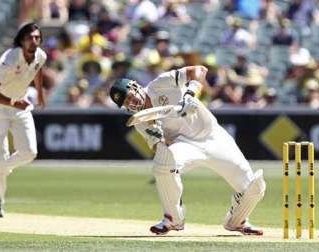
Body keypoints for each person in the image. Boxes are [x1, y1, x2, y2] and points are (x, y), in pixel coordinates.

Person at [109, 65, 266, 235]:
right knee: (163, 163)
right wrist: (159, 141)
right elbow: (157, 147)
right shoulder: (141, 119)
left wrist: (190, 94)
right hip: (184, 144)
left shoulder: (160, 84)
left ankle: (237, 221)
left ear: (135, 87)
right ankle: (173, 218)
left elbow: (200, 70)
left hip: (213, 137)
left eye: (130, 97)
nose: (132, 103)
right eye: (126, 103)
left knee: (253, 187)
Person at [0, 23, 47, 217]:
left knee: (29, 152)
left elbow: (38, 70)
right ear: (21, 40)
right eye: (30, 38)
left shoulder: (41, 55)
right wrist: (12, 102)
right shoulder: (10, 57)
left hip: (20, 106)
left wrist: (41, 94)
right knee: (0, 155)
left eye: (37, 37)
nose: (34, 41)